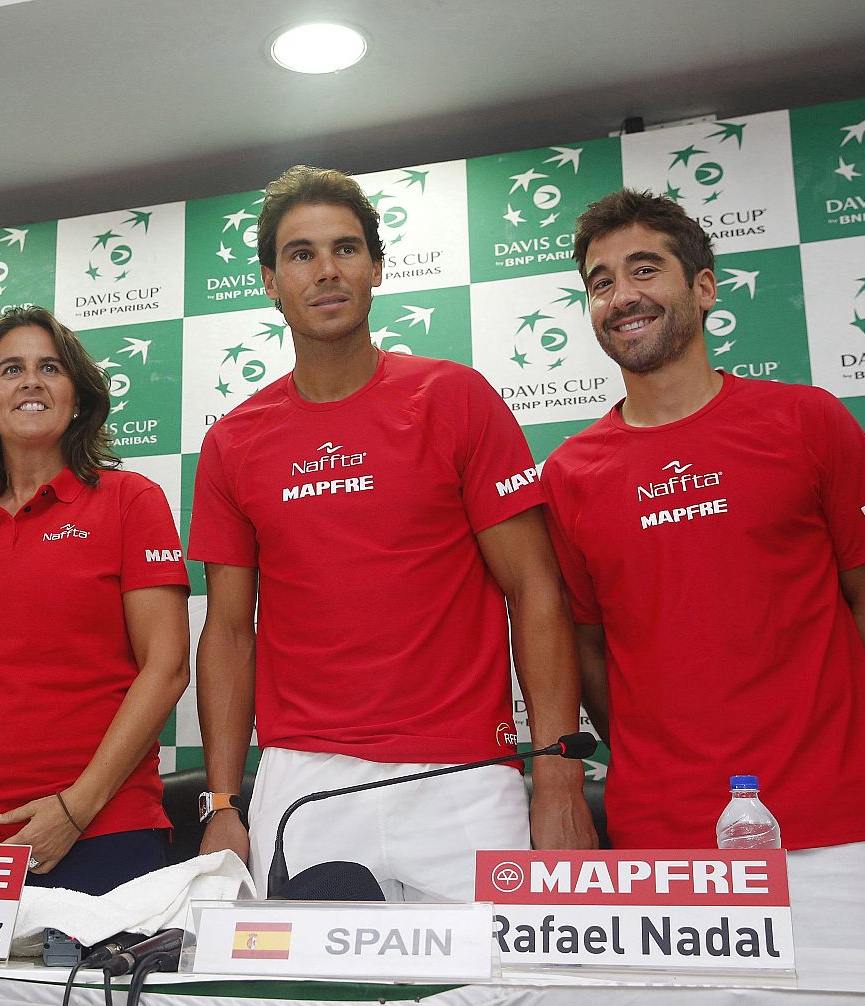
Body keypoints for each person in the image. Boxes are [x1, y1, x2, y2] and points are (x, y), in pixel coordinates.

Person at [189, 166, 595, 901]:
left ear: (377, 266)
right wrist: (221, 802)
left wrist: (558, 774)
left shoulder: (454, 397)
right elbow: (228, 632)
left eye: (346, 248)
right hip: (304, 779)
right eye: (300, 254)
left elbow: (536, 587)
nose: (326, 270)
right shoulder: (233, 441)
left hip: (465, 777)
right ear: (269, 281)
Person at [543, 188, 865, 949]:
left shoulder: (808, 420)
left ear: (705, 286)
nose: (623, 296)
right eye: (601, 281)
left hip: (844, 826)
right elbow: (589, 651)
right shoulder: (568, 474)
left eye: (644, 269)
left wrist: (827, 742)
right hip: (663, 843)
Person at [0, 306, 189, 896]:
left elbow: (167, 665)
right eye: (10, 369)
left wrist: (77, 808)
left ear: (79, 397)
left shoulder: (131, 501)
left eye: (50, 367)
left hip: (101, 829)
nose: (30, 381)